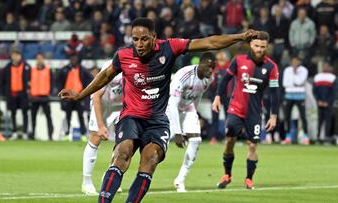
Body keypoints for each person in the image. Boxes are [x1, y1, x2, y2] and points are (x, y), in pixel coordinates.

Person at [59, 17, 259, 203]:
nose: (139, 43)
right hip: (131, 117)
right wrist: (80, 95)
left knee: (150, 159)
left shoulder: (169, 48)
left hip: (157, 121)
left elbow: (210, 43)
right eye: (135, 39)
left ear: (154, 37)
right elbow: (104, 76)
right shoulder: (124, 55)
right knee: (122, 153)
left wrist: (240, 37)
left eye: (144, 39)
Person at [212, 31, 279, 189]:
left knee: (253, 145)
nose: (259, 49)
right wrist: (217, 97)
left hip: (254, 113)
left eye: (262, 47)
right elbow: (226, 79)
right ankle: (227, 174)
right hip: (235, 109)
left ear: (266, 47)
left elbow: (275, 93)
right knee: (230, 141)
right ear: (251, 44)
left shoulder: (271, 67)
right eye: (256, 46)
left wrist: (273, 115)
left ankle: (249, 179)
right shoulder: (239, 60)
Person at [166, 52, 216, 192]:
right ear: (200, 64)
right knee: (160, 148)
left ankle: (180, 180)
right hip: (170, 109)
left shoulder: (208, 78)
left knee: (196, 140)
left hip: (188, 108)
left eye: (213, 67)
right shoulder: (183, 75)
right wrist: (178, 133)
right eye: (208, 66)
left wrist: (195, 114)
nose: (211, 70)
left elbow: (197, 96)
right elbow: (173, 104)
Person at [81, 60, 124, 195]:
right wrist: (100, 125)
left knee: (124, 142)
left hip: (121, 105)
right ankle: (86, 182)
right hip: (102, 103)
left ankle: (110, 178)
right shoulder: (111, 68)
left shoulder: (138, 68)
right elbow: (96, 96)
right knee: (95, 138)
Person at [58, 53, 93, 140]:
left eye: (74, 58)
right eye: (72, 58)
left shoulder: (82, 70)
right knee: (67, 116)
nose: (73, 60)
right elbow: (58, 81)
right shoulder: (65, 70)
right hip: (67, 97)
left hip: (79, 96)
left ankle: (83, 134)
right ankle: (66, 134)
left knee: (81, 116)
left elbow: (91, 80)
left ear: (77, 59)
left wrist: (85, 92)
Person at [2, 47, 30, 140]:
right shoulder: (7, 67)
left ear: (20, 56)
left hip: (23, 94)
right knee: (13, 113)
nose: (15, 57)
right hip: (12, 94)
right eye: (14, 55)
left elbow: (30, 80)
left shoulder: (26, 66)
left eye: (17, 55)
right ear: (11, 56)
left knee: (24, 113)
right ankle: (14, 132)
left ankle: (25, 132)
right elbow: (4, 81)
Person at [282, 56, 309, 145]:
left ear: (299, 62)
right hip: (288, 95)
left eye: (296, 61)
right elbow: (285, 83)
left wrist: (294, 77)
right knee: (287, 117)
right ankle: (288, 137)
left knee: (303, 116)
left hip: (300, 96)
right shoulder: (287, 70)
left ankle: (306, 137)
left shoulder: (304, 70)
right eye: (293, 61)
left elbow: (300, 82)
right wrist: (295, 82)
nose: (294, 63)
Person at [30, 53, 54, 140]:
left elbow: (52, 82)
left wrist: (50, 92)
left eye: (41, 58)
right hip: (34, 96)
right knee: (33, 117)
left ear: (43, 59)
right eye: (38, 58)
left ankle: (50, 135)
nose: (39, 60)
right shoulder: (32, 70)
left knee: (48, 117)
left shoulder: (48, 70)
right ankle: (32, 135)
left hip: (44, 96)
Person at [313, 63, 337, 143]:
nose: (325, 67)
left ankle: (327, 137)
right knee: (320, 121)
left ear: (330, 68)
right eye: (324, 66)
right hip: (320, 103)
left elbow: (334, 92)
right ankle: (318, 137)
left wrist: (328, 102)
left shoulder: (333, 77)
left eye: (327, 66)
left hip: (328, 104)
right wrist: (318, 101)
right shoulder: (317, 77)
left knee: (328, 121)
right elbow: (314, 90)